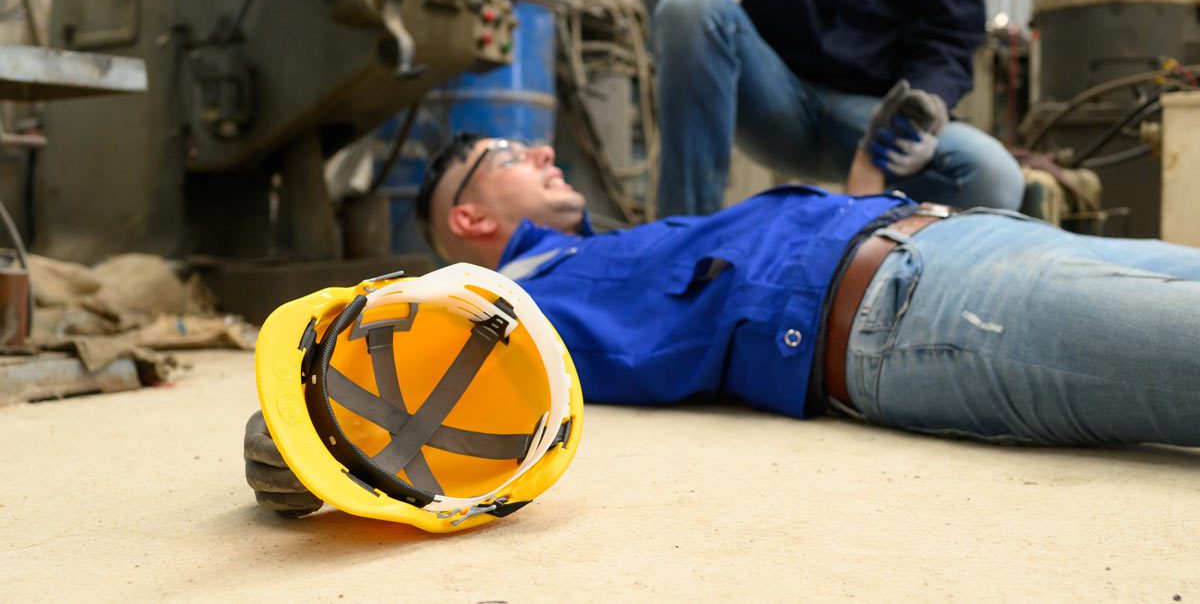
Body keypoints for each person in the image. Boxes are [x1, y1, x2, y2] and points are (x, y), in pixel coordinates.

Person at [245, 133, 1200, 514]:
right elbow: (372, 385)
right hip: (916, 314)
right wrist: (299, 439)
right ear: (469, 222)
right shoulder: (510, 301)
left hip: (969, 241)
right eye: (505, 152)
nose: (542, 145)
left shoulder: (614, 246)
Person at [652, 0, 1026, 217]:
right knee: (689, 6)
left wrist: (919, 109)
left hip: (874, 117)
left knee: (993, 177)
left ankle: (875, 258)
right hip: (775, 95)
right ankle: (684, 246)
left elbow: (949, 38)